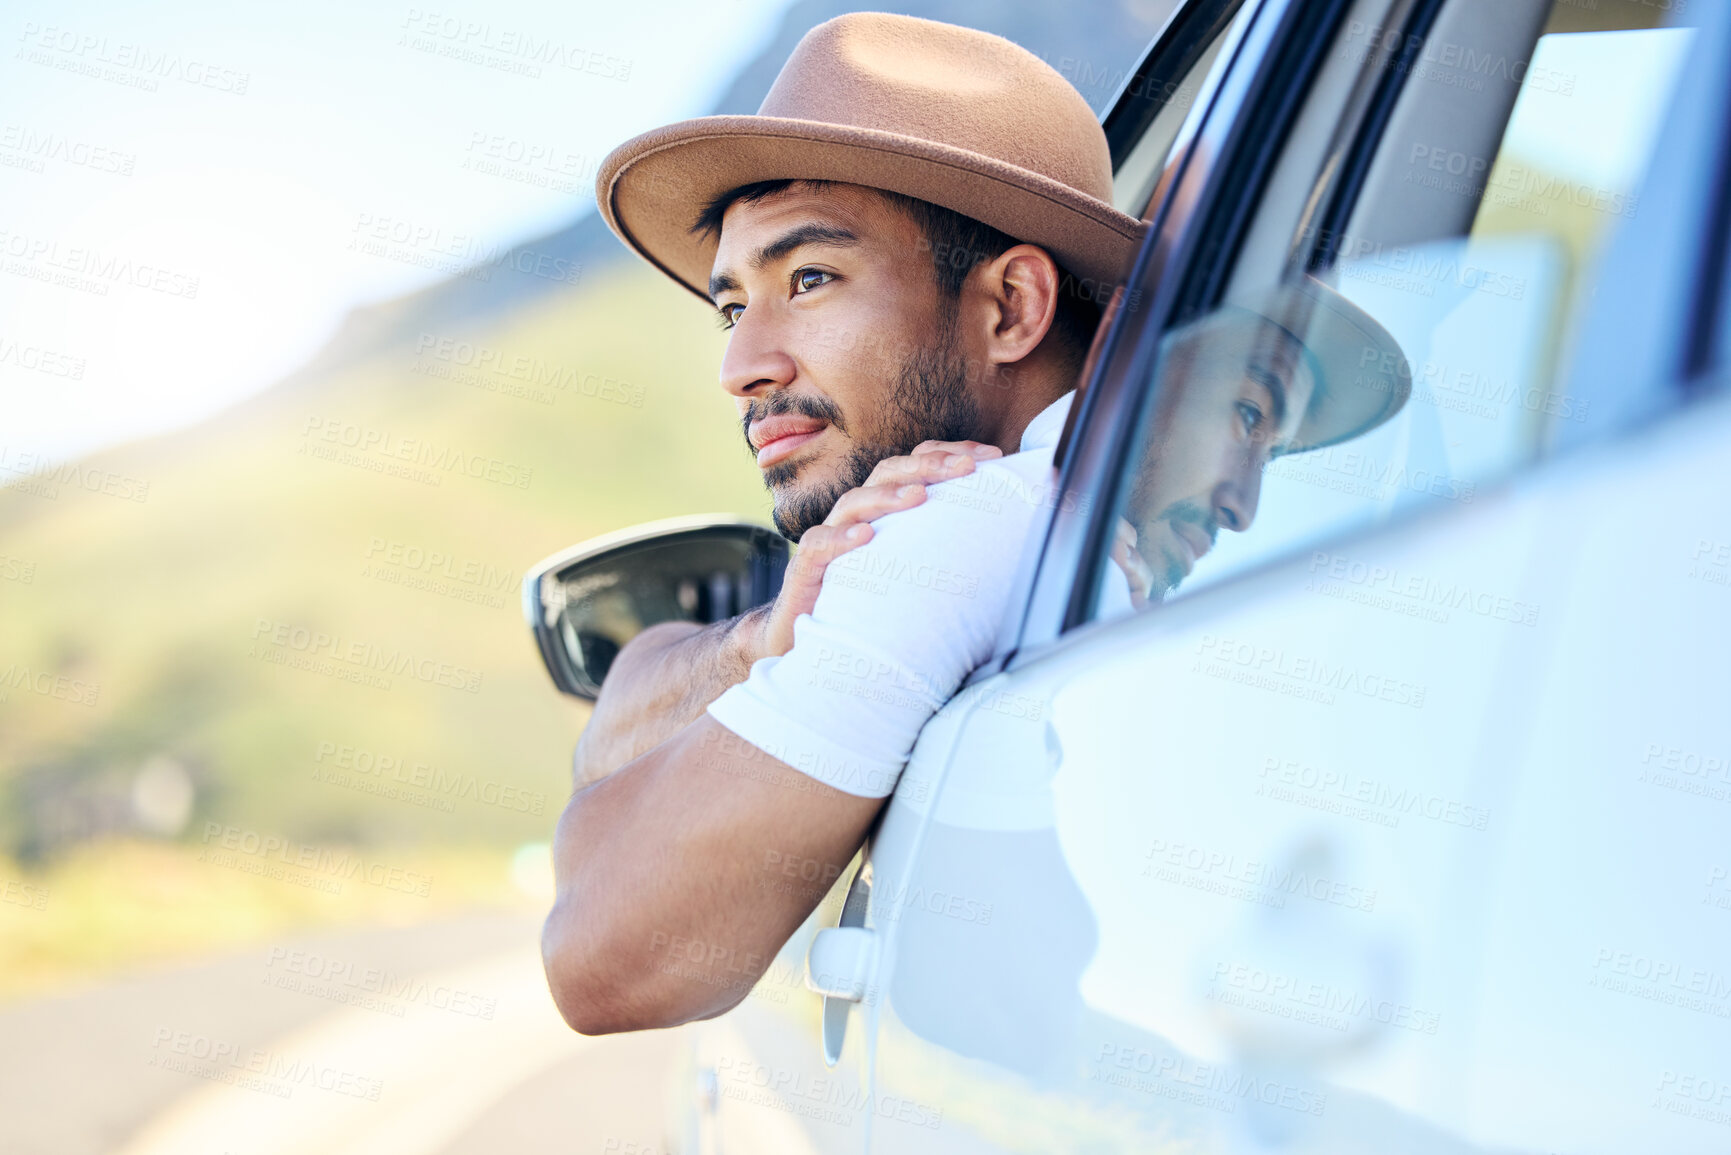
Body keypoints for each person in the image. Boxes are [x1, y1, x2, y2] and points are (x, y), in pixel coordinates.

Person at [541, 13, 1409, 1036]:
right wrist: (762, 641)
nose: (743, 365)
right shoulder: (994, 533)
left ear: (1010, 309)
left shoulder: (964, 529)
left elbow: (602, 965)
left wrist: (601, 833)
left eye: (809, 278)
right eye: (736, 308)